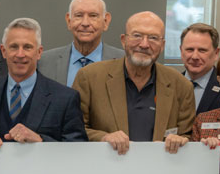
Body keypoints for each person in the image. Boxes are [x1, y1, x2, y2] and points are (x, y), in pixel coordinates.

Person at [73, 11, 195, 155]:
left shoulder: (181, 85)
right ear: (123, 40)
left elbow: (188, 136)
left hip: (159, 172)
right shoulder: (90, 77)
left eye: (153, 38)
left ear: (162, 45)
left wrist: (179, 141)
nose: (144, 44)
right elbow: (74, 129)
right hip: (105, 170)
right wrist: (104, 137)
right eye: (137, 36)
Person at [0, 18, 87, 146]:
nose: (20, 54)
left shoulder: (65, 99)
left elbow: (77, 149)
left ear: (39, 52)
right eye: (14, 47)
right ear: (3, 51)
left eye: (27, 47)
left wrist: (40, 141)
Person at [38, 0, 124, 86]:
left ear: (106, 21)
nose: (85, 23)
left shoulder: (124, 62)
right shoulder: (43, 62)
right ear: (69, 21)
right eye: (79, 15)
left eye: (93, 16)